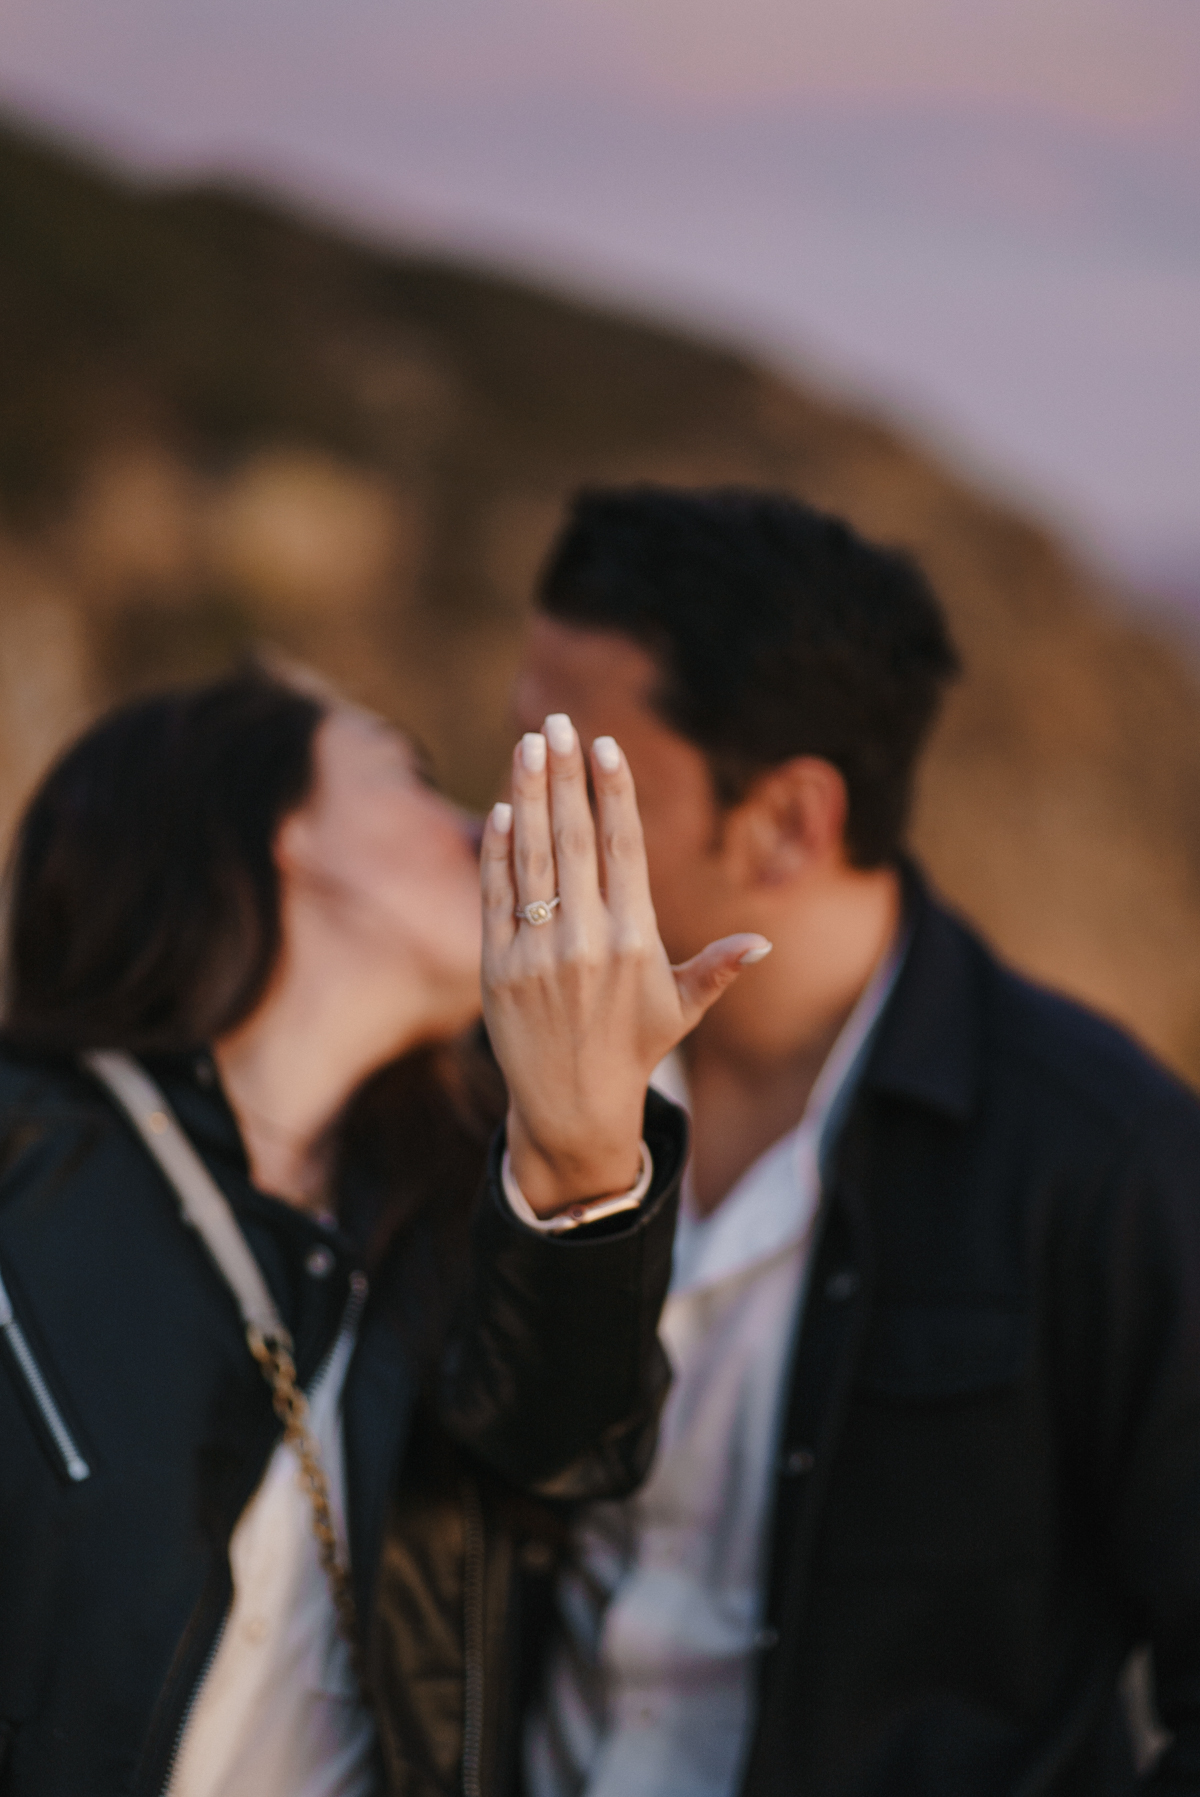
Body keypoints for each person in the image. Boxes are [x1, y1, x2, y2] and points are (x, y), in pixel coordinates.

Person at [512, 486, 1200, 1797]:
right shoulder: (488, 1083)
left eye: (579, 778)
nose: (517, 820)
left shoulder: (1106, 1161)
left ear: (788, 821)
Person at [0, 666, 768, 1797]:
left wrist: (583, 1146)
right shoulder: (27, 1155)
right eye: (407, 776)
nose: (478, 824)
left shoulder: (467, 1224)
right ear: (279, 833)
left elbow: (577, 1449)